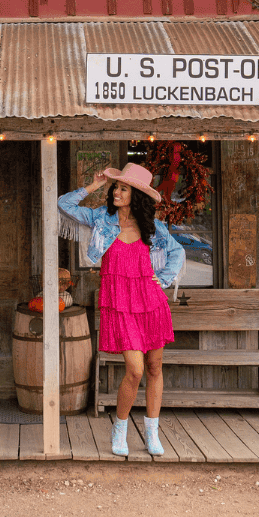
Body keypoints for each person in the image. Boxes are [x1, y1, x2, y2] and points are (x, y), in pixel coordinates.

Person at [58, 162, 185, 457]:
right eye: (116, 187)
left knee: (154, 368)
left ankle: (152, 432)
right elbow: (64, 205)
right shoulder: (101, 218)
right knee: (135, 370)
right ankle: (120, 427)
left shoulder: (151, 227)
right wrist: (95, 184)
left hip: (151, 302)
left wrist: (164, 279)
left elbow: (177, 251)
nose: (116, 191)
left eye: (122, 188)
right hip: (121, 304)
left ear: (136, 195)